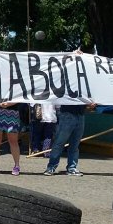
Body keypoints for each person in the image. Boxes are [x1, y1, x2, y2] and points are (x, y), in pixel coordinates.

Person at [44, 48, 96, 177]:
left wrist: (90, 105)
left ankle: (72, 167)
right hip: (67, 114)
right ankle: (51, 167)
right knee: (60, 142)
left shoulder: (84, 81)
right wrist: (72, 55)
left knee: (75, 144)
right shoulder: (67, 76)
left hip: (80, 114)